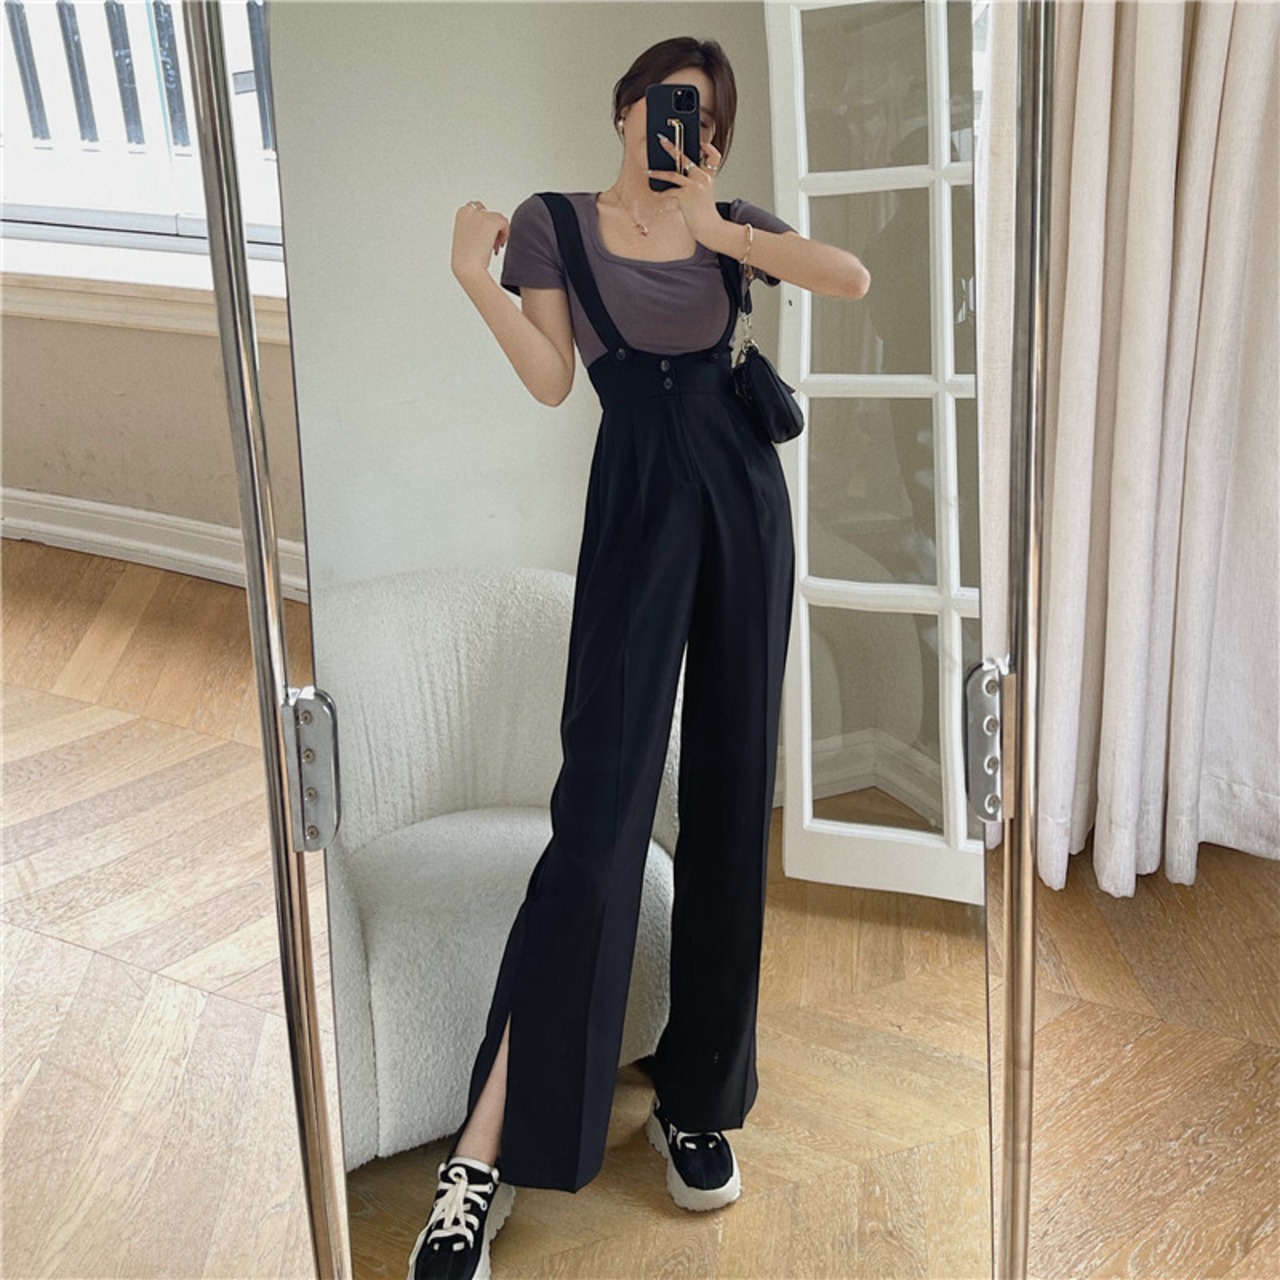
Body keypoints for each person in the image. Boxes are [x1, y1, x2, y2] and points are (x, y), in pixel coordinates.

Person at [411, 36, 869, 1280]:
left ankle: (695, 1096)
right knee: (598, 823)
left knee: (729, 798)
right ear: (626, 108)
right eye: (672, 108)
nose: (685, 132)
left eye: (706, 119)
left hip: (741, 502)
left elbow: (848, 275)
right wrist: (471, 278)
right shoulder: (555, 223)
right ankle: (485, 1153)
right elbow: (552, 380)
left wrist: (719, 228)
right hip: (636, 503)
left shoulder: (728, 224)